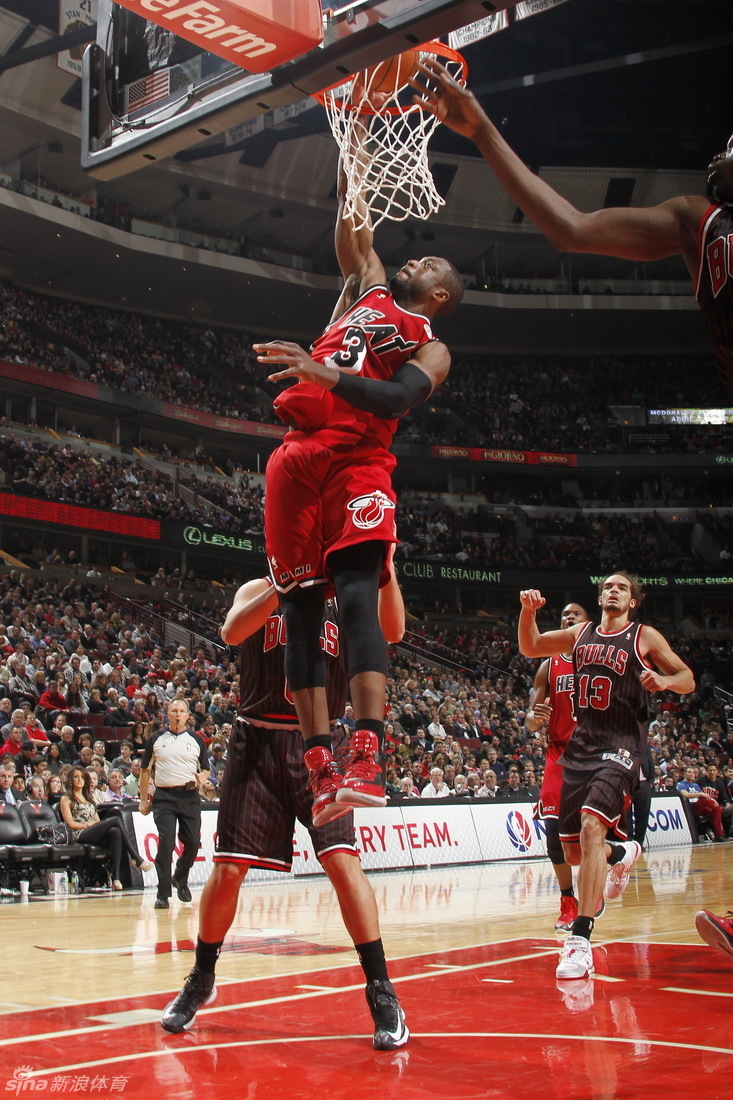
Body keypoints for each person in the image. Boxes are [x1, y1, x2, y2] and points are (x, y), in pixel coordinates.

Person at [252, 138, 463, 828]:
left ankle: (368, 751)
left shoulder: (430, 343)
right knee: (298, 613)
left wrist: (328, 376)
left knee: (355, 597)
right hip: (296, 456)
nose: (415, 256)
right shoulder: (365, 288)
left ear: (439, 294)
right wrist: (354, 153)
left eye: (429, 264)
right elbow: (356, 226)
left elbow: (397, 399)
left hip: (358, 460)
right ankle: (320, 765)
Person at [161, 574, 409, 1051]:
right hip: (255, 740)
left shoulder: (346, 590)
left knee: (341, 860)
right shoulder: (259, 585)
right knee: (229, 868)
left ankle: (381, 989)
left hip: (323, 745)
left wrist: (388, 565)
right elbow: (232, 632)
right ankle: (202, 977)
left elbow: (394, 630)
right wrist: (284, 584)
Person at [413, 62, 733, 385]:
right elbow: (571, 228)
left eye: (730, 150)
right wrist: (481, 132)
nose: (717, 157)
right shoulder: (699, 218)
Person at [518, 573, 695, 981]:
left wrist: (665, 680)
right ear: (599, 596)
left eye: (623, 588)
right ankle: (624, 853)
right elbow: (530, 646)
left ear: (632, 602)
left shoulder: (644, 636)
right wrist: (528, 613)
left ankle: (580, 941)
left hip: (622, 746)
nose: (614, 591)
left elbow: (687, 678)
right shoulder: (580, 634)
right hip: (581, 748)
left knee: (592, 825)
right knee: (577, 852)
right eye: (609, 587)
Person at [525, 602, 597, 933]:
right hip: (558, 754)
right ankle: (568, 900)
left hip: (592, 752)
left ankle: (594, 890)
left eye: (575, 615)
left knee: (590, 832)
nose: (567, 618)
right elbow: (530, 723)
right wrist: (534, 718)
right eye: (564, 614)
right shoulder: (548, 666)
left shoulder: (598, 662)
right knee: (554, 836)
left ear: (586, 624)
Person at [138, 699, 208, 909]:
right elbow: (144, 770)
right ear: (167, 715)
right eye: (174, 711)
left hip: (189, 797)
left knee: (193, 843)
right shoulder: (156, 738)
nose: (178, 714)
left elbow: (205, 769)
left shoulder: (196, 739)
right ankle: (162, 894)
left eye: (182, 711)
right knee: (166, 843)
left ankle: (180, 877)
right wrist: (143, 800)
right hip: (164, 798)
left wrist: (203, 777)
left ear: (188, 716)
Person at [59, 766, 151, 890]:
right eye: (76, 777)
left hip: (91, 831)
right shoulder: (66, 799)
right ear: (70, 780)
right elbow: (69, 823)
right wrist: (87, 825)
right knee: (116, 819)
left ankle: (116, 878)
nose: (80, 779)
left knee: (115, 831)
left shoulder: (89, 799)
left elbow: (97, 821)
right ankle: (135, 858)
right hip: (78, 833)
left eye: (82, 777)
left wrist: (94, 824)